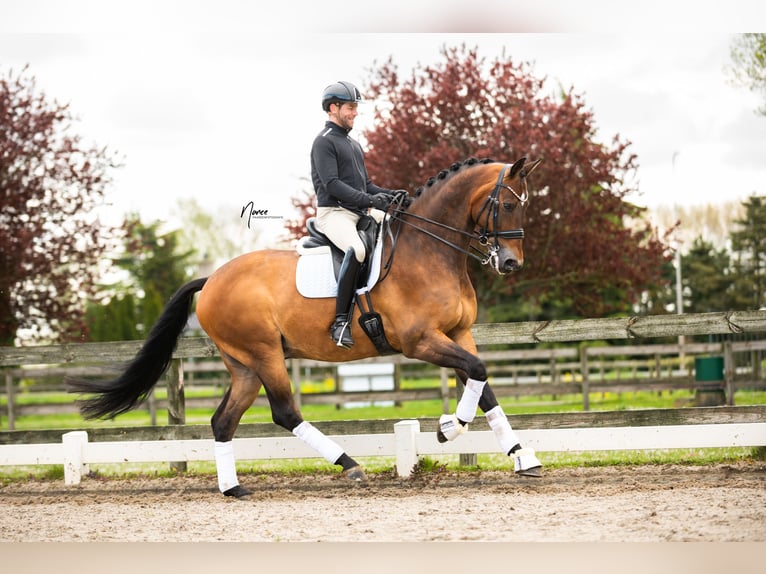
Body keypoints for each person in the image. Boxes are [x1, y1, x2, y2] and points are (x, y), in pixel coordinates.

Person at [310, 80, 400, 349]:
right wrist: (371, 200)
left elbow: (366, 185)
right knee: (357, 249)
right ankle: (340, 322)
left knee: (399, 229)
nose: (355, 112)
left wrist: (391, 193)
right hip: (333, 214)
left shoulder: (353, 144)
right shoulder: (323, 143)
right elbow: (333, 185)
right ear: (333, 107)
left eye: (355, 107)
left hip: (357, 211)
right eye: (350, 107)